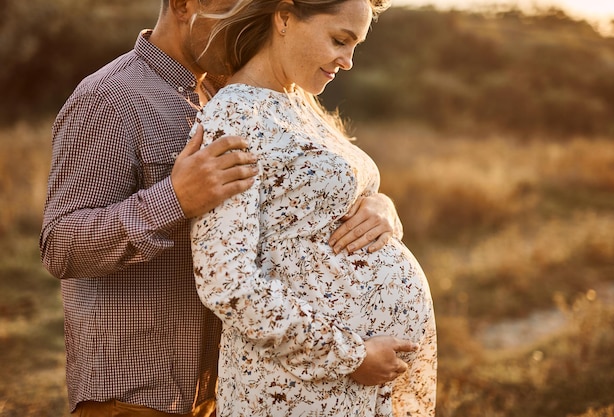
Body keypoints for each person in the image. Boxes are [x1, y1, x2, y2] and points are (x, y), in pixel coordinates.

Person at [39, 0, 410, 415]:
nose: (247, 15)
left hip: (226, 386)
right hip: (137, 394)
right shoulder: (110, 99)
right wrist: (174, 200)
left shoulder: (237, 93)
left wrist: (377, 203)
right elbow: (59, 245)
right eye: (233, 5)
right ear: (184, 5)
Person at [189, 0, 438, 416]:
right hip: (298, 385)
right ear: (284, 17)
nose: (349, 61)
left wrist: (383, 205)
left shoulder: (300, 104)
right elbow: (227, 283)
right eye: (340, 40)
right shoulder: (235, 116)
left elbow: (328, 205)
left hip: (346, 384)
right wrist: (351, 355)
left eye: (355, 45)